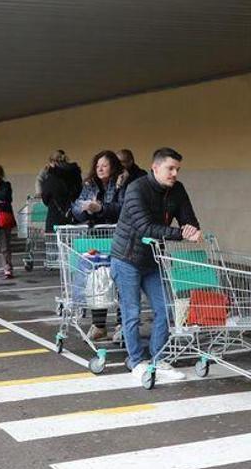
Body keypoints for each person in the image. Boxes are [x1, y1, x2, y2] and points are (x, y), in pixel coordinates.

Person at [111, 147, 202, 381]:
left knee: (165, 309)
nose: (174, 174)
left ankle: (158, 358)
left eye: (177, 169)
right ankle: (135, 359)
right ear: (155, 168)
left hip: (153, 259)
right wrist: (181, 233)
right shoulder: (137, 189)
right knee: (132, 313)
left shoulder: (177, 190)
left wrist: (191, 229)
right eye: (170, 168)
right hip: (127, 258)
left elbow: (189, 219)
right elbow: (145, 228)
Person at [74, 150, 127, 341]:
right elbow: (76, 208)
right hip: (96, 237)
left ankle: (121, 324)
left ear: (113, 166)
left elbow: (124, 208)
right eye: (97, 166)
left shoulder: (122, 183)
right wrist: (85, 210)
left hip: (118, 237)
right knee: (97, 281)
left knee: (121, 281)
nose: (100, 169)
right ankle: (99, 325)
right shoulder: (89, 185)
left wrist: (101, 208)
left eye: (104, 165)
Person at [40, 150, 83, 232]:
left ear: (53, 162)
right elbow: (80, 192)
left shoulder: (52, 177)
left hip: (55, 217)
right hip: (74, 216)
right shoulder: (75, 173)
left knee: (55, 242)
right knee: (72, 243)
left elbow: (45, 198)